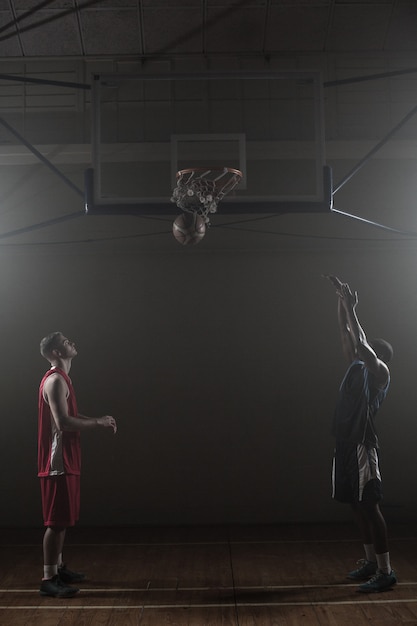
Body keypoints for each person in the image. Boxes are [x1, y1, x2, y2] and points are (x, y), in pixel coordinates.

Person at [325, 275, 396, 593]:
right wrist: (341, 301)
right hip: (344, 443)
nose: (355, 346)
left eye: (363, 347)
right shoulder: (355, 366)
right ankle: (369, 561)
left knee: (370, 506)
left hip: (362, 445)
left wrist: (353, 308)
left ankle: (385, 571)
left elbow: (361, 341)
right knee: (354, 505)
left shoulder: (380, 373)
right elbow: (346, 333)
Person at [38, 331, 117, 598]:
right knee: (55, 521)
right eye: (66, 342)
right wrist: (97, 423)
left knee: (63, 519)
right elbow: (63, 423)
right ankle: (48, 579)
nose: (72, 342)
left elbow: (70, 415)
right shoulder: (56, 381)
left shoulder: (63, 379)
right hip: (57, 460)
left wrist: (98, 418)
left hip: (67, 456)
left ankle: (58, 568)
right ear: (57, 353)